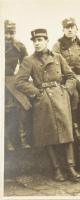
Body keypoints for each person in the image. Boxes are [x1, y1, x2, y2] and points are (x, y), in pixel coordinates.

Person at [15, 28, 80, 182]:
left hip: (60, 97)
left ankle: (71, 167)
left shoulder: (57, 57)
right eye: (34, 41)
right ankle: (57, 169)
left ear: (46, 41)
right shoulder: (29, 60)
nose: (37, 43)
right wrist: (36, 92)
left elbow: (71, 77)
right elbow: (19, 81)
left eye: (40, 40)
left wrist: (66, 91)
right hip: (43, 100)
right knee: (48, 135)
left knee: (67, 133)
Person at [4, 20, 31, 151]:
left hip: (12, 81)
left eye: (11, 33)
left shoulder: (19, 46)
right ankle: (6, 141)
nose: (8, 36)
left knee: (23, 106)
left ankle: (23, 138)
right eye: (6, 33)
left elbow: (26, 64)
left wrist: (20, 77)